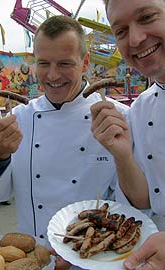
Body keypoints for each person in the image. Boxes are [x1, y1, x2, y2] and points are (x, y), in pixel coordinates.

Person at [0, 15, 128, 269]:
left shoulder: (116, 117)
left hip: (94, 258)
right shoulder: (19, 118)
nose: (52, 75)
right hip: (34, 257)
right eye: (44, 63)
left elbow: (133, 205)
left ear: (84, 62)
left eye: (64, 64)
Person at [90, 0, 165, 269]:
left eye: (146, 17)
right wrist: (121, 154)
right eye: (120, 31)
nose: (135, 39)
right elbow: (147, 199)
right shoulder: (142, 107)